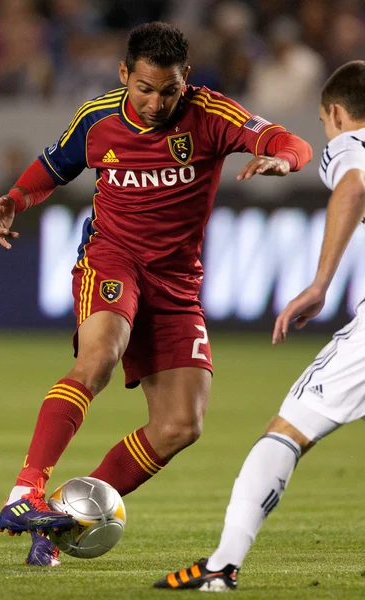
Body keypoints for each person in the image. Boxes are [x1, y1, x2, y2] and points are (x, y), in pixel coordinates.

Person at [0, 21, 312, 567]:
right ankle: (25, 492)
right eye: (145, 88)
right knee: (99, 358)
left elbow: (289, 140)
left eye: (169, 90)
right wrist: (16, 199)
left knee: (180, 426)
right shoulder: (97, 118)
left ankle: (62, 517)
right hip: (112, 259)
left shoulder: (211, 113)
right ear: (125, 75)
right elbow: (53, 166)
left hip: (178, 283)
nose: (157, 102)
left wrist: (284, 159)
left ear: (186, 79)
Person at [154, 59, 365, 592]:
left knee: (288, 431)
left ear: (335, 113)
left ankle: (222, 565)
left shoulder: (351, 144)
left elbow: (354, 186)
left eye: (323, 122)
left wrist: (319, 284)